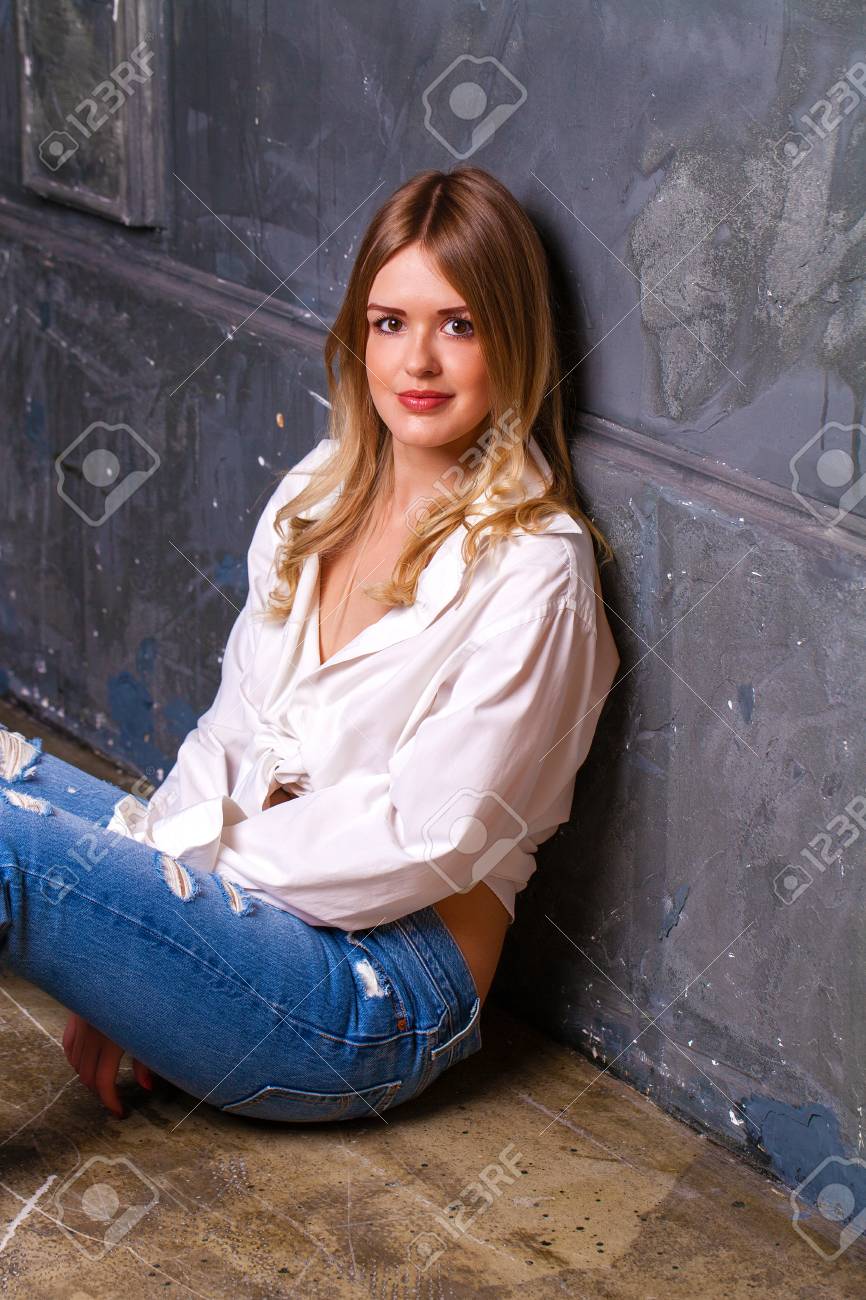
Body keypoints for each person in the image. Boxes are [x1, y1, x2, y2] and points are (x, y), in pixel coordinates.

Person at [0, 166, 620, 1124]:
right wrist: (132, 935)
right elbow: (231, 734)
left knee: (11, 857)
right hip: (248, 910)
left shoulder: (539, 568)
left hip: (378, 989)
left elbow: (425, 834)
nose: (418, 361)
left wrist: (146, 903)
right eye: (390, 322)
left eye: (460, 325)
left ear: (515, 339)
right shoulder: (318, 492)